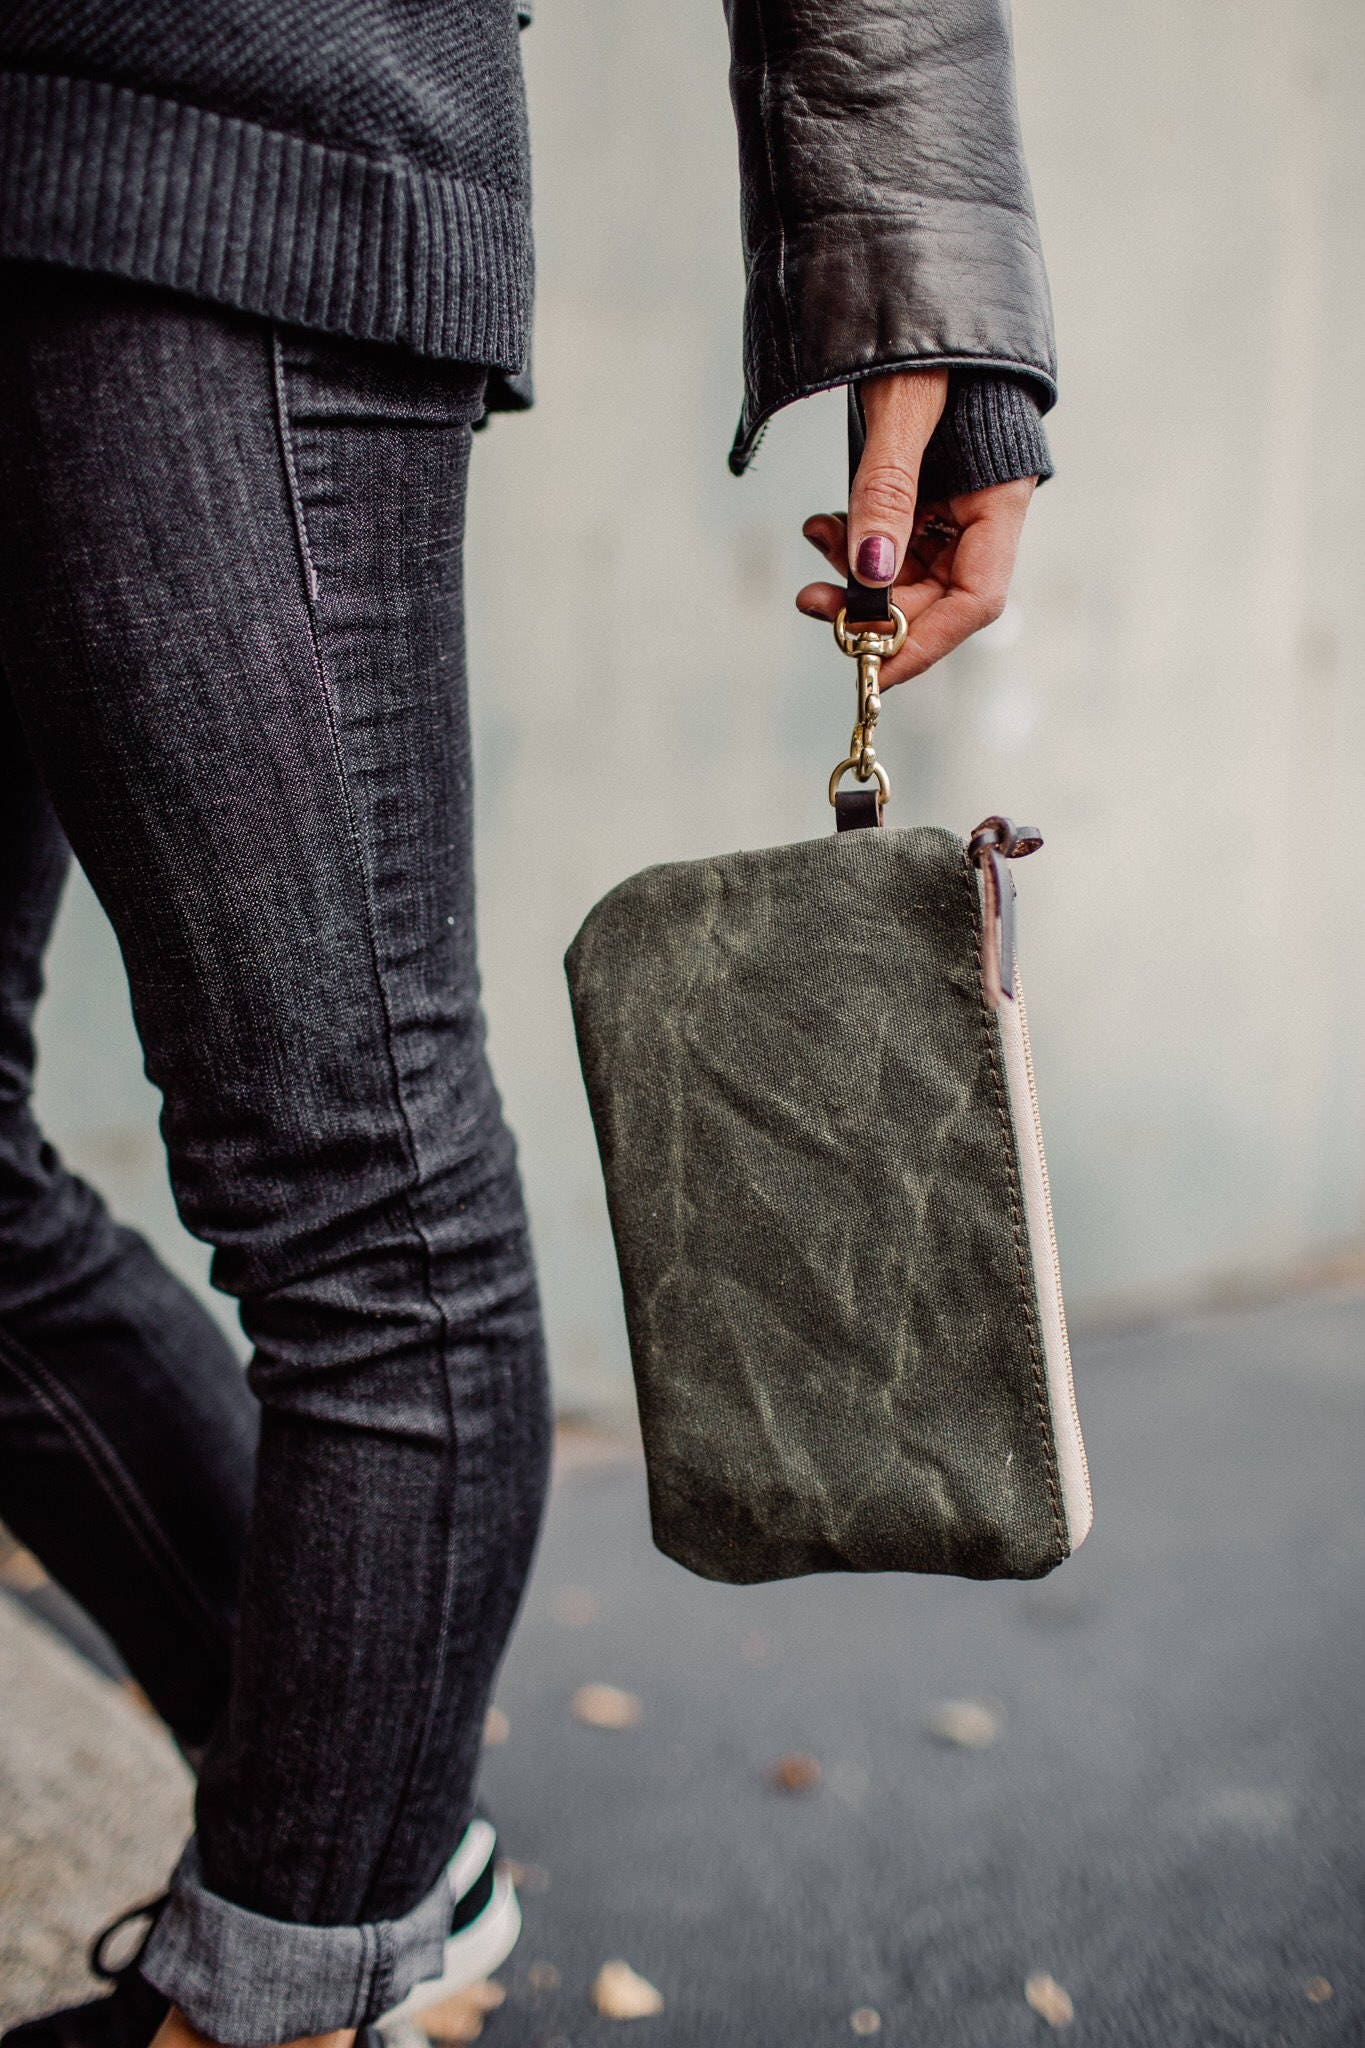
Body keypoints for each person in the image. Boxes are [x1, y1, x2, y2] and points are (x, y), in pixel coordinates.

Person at [0, 4, 1056, 2045]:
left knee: (349, 1174)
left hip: (242, 129)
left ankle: (305, 1966)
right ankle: (362, 1828)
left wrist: (939, 313)